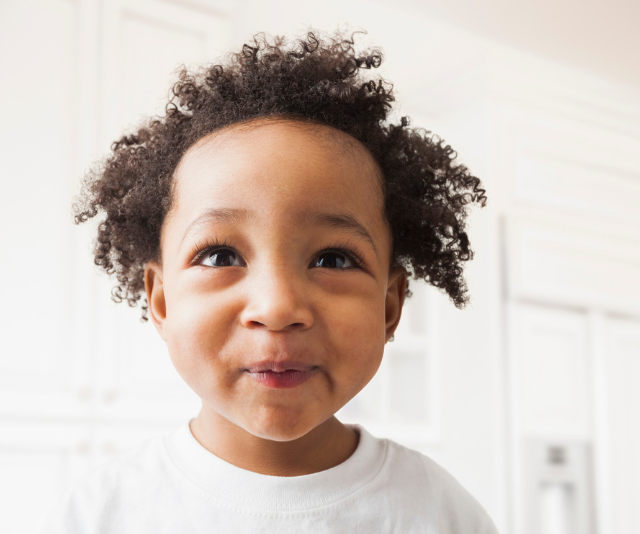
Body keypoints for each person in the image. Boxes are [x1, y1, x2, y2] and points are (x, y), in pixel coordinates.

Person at [39, 26, 496, 533]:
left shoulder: (442, 514)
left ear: (390, 307)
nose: (277, 306)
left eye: (334, 259)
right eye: (219, 255)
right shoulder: (100, 513)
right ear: (161, 302)